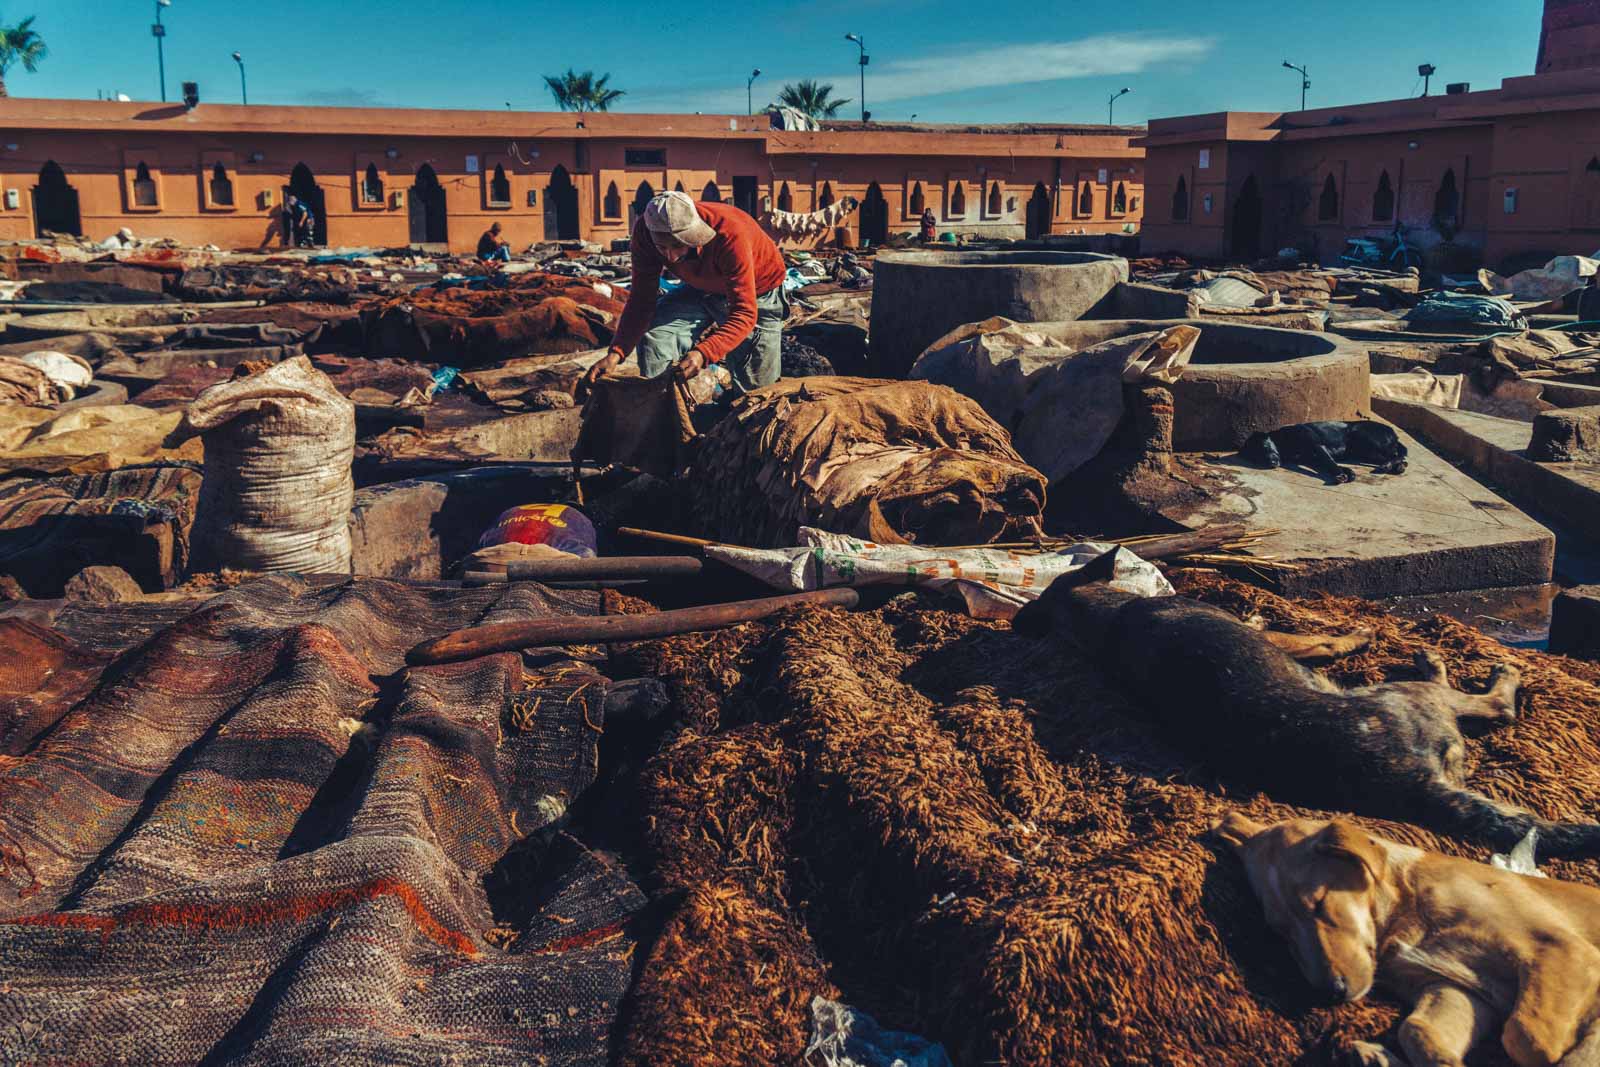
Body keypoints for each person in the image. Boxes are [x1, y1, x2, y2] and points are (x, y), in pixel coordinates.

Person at [582, 190, 787, 394]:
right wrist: (616, 353)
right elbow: (641, 300)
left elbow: (744, 313)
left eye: (678, 245)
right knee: (655, 337)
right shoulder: (644, 233)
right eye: (662, 248)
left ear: (693, 234)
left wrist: (703, 353)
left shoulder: (729, 234)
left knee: (756, 392)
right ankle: (662, 405)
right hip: (701, 288)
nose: (670, 257)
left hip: (759, 292)